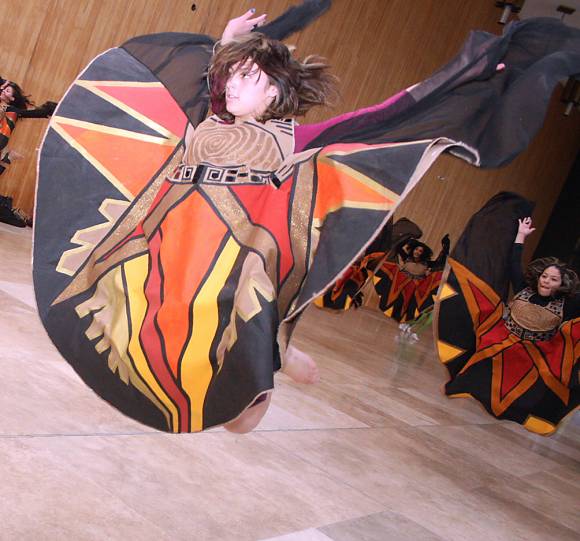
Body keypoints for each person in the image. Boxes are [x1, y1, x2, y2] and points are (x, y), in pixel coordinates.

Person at [34, 9, 580, 434]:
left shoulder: (292, 139)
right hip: (168, 241)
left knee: (237, 394)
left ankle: (272, 355)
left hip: (230, 258)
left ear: (274, 92)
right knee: (117, 311)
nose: (233, 85)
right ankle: (267, 355)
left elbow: (380, 116)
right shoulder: (209, 119)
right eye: (232, 77)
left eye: (248, 77)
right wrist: (228, 42)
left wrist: (458, 78)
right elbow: (208, 84)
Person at [436, 193, 579, 435]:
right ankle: (463, 386)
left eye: (553, 279)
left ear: (561, 284)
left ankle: (526, 412)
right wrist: (521, 236)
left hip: (536, 351)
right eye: (544, 276)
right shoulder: (524, 288)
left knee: (546, 378)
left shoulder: (566, 304)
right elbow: (514, 263)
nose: (546, 281)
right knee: (481, 357)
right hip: (505, 338)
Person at [0, 78, 55, 226]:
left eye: (7, 91)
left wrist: (49, 110)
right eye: (4, 89)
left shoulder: (12, 111)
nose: (3, 90)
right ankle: (8, 158)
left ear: (12, 98)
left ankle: (8, 158)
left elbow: (32, 113)